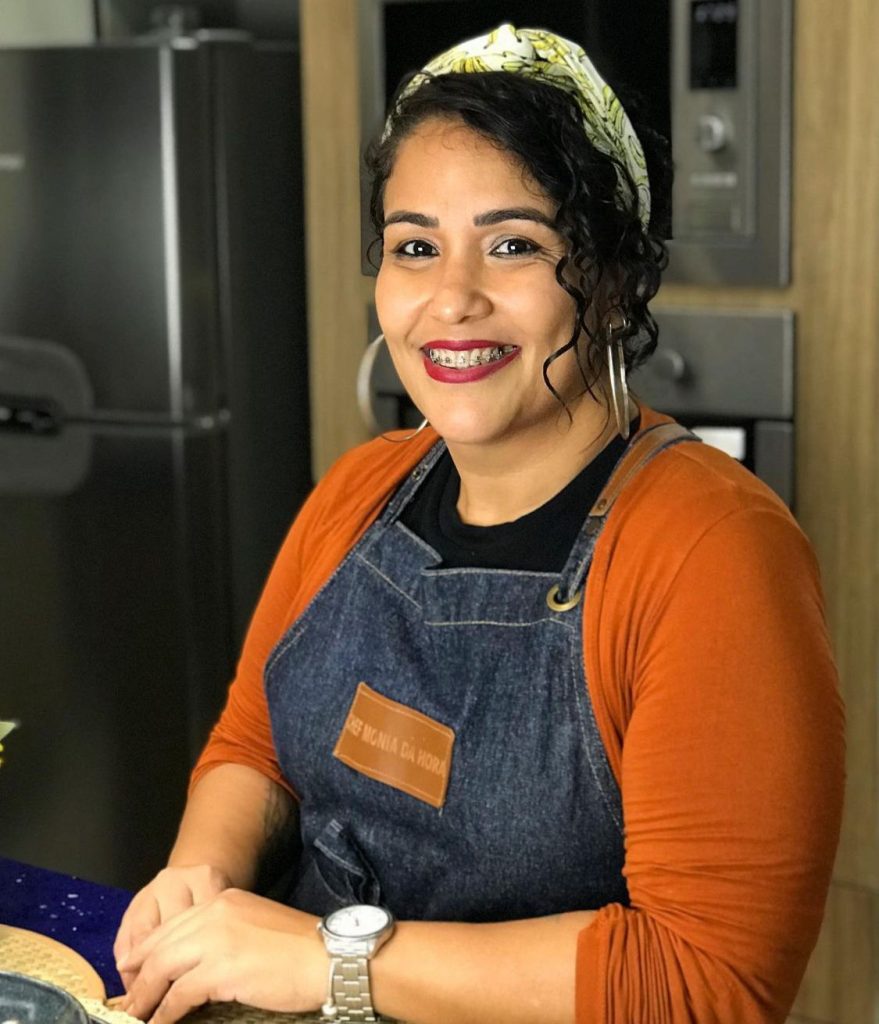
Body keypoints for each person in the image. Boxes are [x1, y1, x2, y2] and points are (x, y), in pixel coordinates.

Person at [113, 24, 844, 1024]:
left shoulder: (713, 554)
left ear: (614, 277)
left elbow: (703, 980)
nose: (451, 300)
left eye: (513, 245)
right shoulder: (359, 491)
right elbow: (257, 744)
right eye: (415, 247)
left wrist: (333, 960)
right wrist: (199, 879)